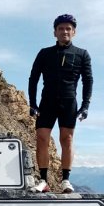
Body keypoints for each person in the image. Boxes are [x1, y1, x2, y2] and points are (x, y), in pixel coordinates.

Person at [28, 14, 93, 193]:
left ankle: (65, 180)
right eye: (61, 28)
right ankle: (43, 180)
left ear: (74, 32)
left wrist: (85, 105)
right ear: (55, 32)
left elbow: (88, 80)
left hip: (69, 102)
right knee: (42, 138)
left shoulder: (82, 54)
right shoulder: (44, 53)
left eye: (68, 28)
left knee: (67, 139)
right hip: (46, 101)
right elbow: (33, 78)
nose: (65, 31)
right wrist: (32, 103)